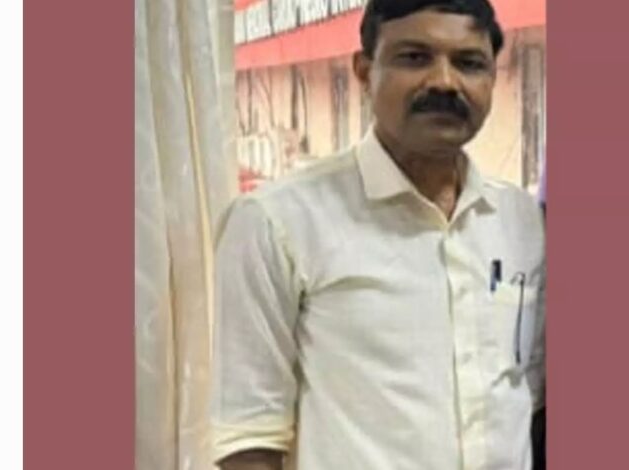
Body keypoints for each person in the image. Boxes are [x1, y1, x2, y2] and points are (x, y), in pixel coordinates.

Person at [212, 1, 546, 469]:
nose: (445, 81)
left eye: (469, 63)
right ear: (364, 71)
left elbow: (525, 393)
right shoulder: (277, 222)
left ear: (492, 77)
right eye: (415, 57)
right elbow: (249, 437)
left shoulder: (522, 221)